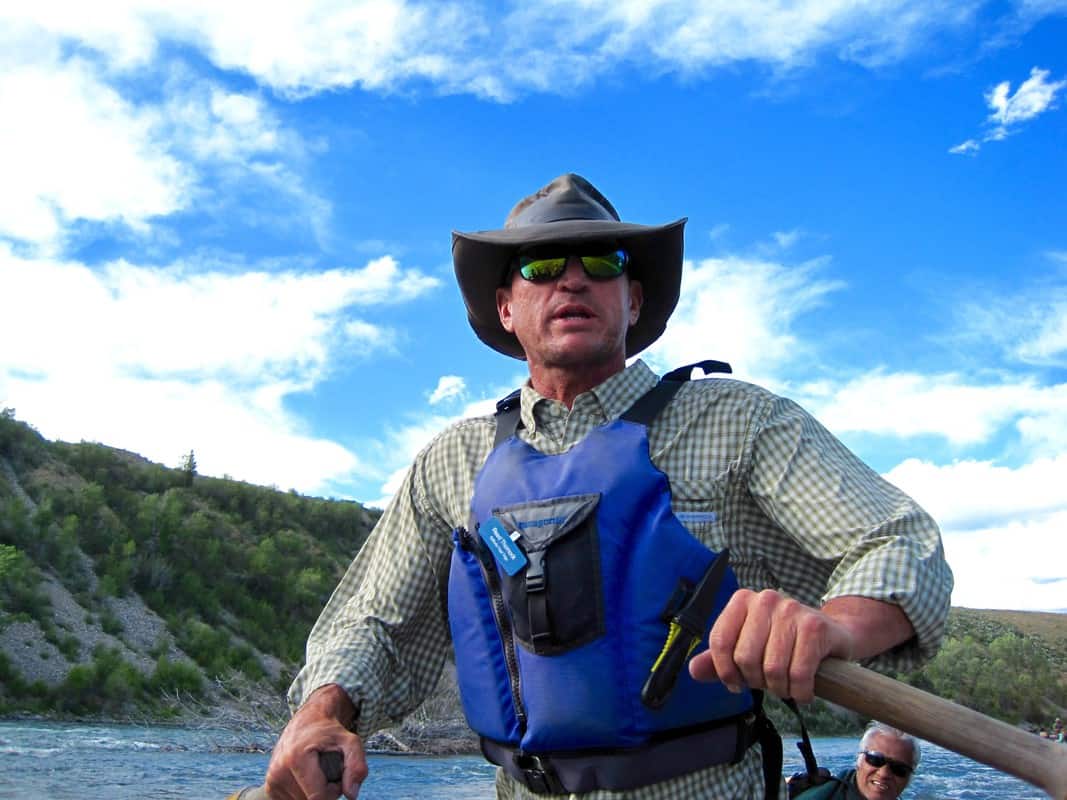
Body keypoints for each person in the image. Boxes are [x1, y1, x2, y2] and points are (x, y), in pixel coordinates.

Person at [263, 173, 954, 800]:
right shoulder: (451, 461)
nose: (571, 282)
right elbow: (373, 623)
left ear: (633, 298)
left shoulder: (739, 421)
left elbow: (898, 541)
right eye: (539, 267)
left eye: (600, 263)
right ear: (507, 307)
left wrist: (832, 625)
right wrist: (321, 712)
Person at [790, 722, 920, 799]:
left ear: (909, 778)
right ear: (859, 760)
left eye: (899, 769)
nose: (883, 774)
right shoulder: (820, 794)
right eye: (875, 760)